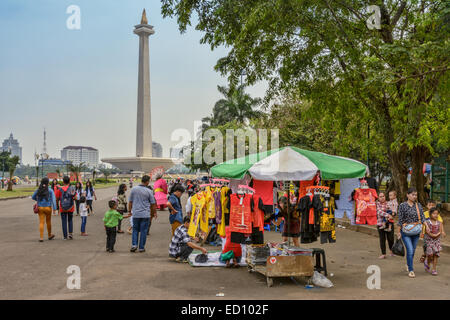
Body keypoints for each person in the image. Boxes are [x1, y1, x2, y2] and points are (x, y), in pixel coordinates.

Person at [397, 188, 426, 278]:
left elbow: (423, 217)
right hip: (406, 232)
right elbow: (400, 220)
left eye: (416, 195)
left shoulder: (418, 205)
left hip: (416, 231)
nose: (414, 196)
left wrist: (427, 227)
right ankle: (411, 270)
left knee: (412, 251)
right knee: (409, 250)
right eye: (413, 194)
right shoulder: (402, 205)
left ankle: (408, 264)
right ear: (407, 195)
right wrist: (398, 232)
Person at [128, 175, 157, 253]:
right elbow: (153, 203)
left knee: (135, 230)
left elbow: (130, 202)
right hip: (145, 214)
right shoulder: (149, 191)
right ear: (147, 182)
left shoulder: (134, 189)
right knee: (144, 231)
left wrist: (129, 211)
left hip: (136, 213)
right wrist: (154, 213)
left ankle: (134, 245)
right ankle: (141, 247)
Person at [32, 177, 57, 242]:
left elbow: (33, 197)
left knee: (41, 222)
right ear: (47, 183)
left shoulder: (38, 190)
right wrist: (54, 208)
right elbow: (53, 200)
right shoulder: (50, 190)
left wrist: (38, 200)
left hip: (40, 208)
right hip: (48, 207)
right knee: (48, 222)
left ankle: (41, 237)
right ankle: (49, 235)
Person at [55, 176, 76, 240]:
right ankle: (70, 234)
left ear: (63, 182)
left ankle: (65, 236)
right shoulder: (72, 188)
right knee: (70, 220)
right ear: (69, 181)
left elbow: (57, 198)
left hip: (62, 207)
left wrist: (57, 205)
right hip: (71, 207)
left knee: (64, 221)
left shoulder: (59, 190)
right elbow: (75, 197)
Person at [423, 207, 443, 275]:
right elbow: (427, 232)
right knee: (430, 254)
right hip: (429, 240)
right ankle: (427, 262)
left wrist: (436, 235)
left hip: (437, 241)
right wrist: (432, 235)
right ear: (430, 214)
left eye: (437, 214)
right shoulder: (427, 222)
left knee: (436, 255)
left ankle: (434, 269)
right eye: (434, 213)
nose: (436, 215)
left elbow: (440, 231)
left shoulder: (439, 223)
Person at [376, 192, 394, 259]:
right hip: (380, 224)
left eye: (383, 196)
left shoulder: (388, 203)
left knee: (391, 238)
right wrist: (388, 215)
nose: (382, 197)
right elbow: (379, 212)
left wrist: (391, 214)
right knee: (382, 239)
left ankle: (392, 251)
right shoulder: (377, 204)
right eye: (380, 196)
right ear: (378, 198)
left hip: (389, 223)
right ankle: (383, 253)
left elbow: (392, 210)